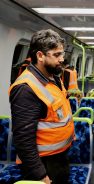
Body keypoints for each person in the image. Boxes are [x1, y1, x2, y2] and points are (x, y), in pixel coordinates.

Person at [9, 29, 75, 184]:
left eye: (62, 54)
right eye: (57, 55)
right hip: (43, 163)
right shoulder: (26, 88)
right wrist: (40, 175)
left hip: (59, 157)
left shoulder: (53, 77)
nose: (62, 59)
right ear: (40, 56)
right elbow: (23, 140)